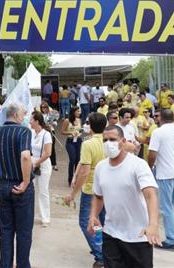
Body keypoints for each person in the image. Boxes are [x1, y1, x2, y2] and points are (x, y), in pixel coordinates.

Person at [88, 125, 160, 268]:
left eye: (113, 139)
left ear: (123, 141)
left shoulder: (138, 165)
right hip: (111, 234)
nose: (108, 143)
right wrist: (93, 215)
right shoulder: (100, 167)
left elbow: (150, 195)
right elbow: (98, 196)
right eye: (105, 140)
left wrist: (153, 224)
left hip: (137, 236)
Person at [0, 103, 34, 268]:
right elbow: (26, 156)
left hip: (3, 185)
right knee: (24, 232)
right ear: (16, 115)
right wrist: (26, 181)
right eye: (23, 114)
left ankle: (5, 265)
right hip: (20, 187)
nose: (25, 116)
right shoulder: (23, 131)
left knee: (5, 231)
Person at [65, 112, 107, 267]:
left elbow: (85, 170)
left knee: (85, 221)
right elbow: (82, 166)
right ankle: (105, 249)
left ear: (90, 126)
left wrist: (73, 193)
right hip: (106, 187)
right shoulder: (109, 141)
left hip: (91, 188)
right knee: (102, 220)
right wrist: (76, 175)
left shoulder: (88, 144)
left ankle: (100, 254)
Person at [148, 109, 174, 251]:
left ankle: (171, 240)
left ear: (161, 119)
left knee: (166, 207)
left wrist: (150, 166)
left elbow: (152, 154)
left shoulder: (158, 132)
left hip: (165, 173)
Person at [30, 111, 53, 227]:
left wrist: (37, 163)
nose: (29, 122)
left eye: (31, 120)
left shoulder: (46, 135)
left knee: (43, 191)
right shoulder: (31, 133)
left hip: (43, 166)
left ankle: (45, 218)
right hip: (32, 165)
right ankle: (30, 216)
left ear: (37, 121)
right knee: (30, 191)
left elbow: (48, 153)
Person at [61, 106, 83, 186]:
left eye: (79, 111)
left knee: (78, 160)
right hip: (70, 141)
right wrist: (71, 133)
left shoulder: (79, 120)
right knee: (72, 159)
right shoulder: (67, 121)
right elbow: (62, 131)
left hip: (78, 140)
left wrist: (81, 130)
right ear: (73, 112)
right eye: (77, 111)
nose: (79, 113)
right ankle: (70, 179)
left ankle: (76, 178)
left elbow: (79, 130)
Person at [40, 102, 58, 171]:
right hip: (43, 133)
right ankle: (44, 163)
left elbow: (55, 123)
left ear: (47, 107)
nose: (43, 109)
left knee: (52, 148)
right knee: (43, 148)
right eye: (42, 107)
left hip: (51, 132)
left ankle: (54, 164)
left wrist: (51, 123)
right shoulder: (40, 115)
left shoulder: (51, 114)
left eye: (44, 107)